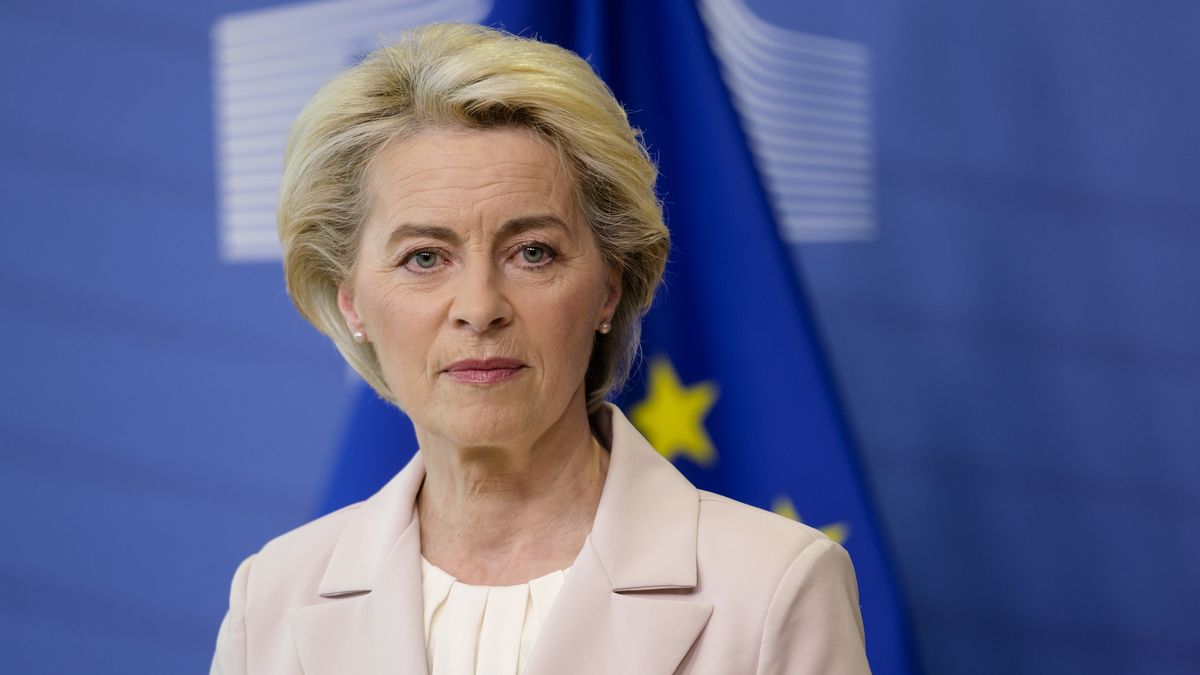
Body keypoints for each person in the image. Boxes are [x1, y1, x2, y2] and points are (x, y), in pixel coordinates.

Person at [211, 22, 871, 675]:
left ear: (609, 288)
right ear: (351, 301)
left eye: (532, 252)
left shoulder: (774, 586)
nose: (479, 308)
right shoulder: (270, 599)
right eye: (424, 257)